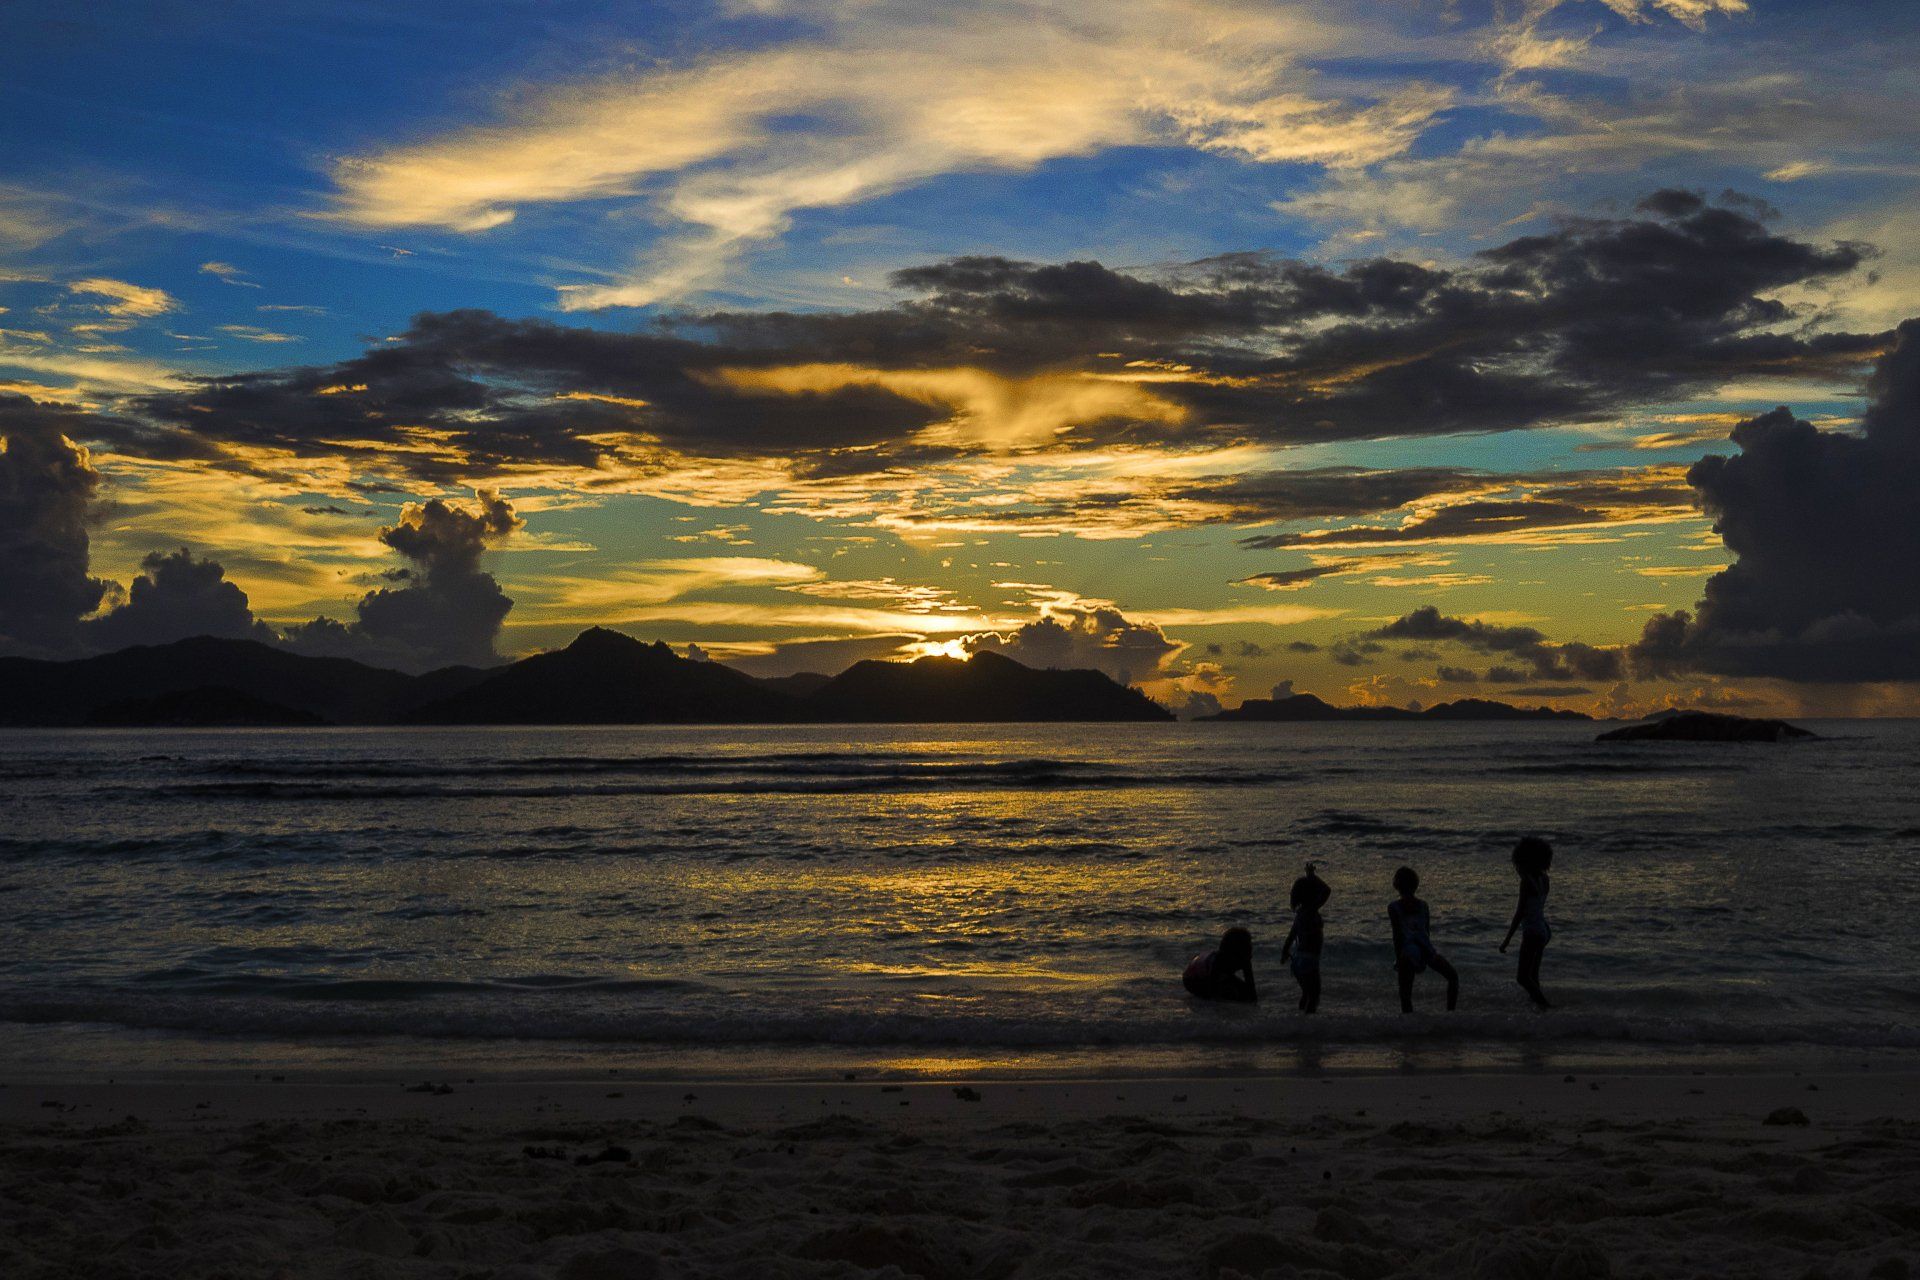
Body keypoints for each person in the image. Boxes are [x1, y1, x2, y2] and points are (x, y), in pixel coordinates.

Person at [1388, 867, 1458, 1013]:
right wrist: (1426, 953)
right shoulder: (1423, 905)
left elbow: (1397, 936)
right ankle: (1450, 1014)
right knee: (1453, 977)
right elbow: (1426, 932)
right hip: (1426, 948)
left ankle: (1409, 1022)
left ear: (1397, 885)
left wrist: (1399, 958)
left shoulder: (1393, 907)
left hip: (1408, 951)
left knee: (1405, 995)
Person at [1500, 836, 1554, 1009]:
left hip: (1532, 932)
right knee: (1533, 974)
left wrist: (1507, 940)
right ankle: (1537, 1008)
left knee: (1522, 977)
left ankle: (1545, 1007)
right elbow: (1537, 907)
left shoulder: (1526, 883)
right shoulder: (1545, 879)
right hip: (1544, 930)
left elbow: (1520, 913)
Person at [1279, 863, 1329, 1013]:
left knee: (1307, 994)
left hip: (1298, 960)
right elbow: (1327, 890)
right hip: (1309, 959)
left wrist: (1284, 952)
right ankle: (1308, 1022)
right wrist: (1311, 876)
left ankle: (1300, 1022)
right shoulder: (1311, 910)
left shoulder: (1300, 914)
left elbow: (1291, 936)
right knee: (1314, 997)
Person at [1183, 926, 1257, 1002]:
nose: (1250, 949)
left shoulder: (1245, 959)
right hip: (1191, 979)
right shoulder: (1218, 961)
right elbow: (1213, 987)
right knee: (1227, 992)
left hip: (1214, 974)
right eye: (1248, 946)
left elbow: (1251, 987)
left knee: (1243, 992)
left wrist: (1252, 1000)